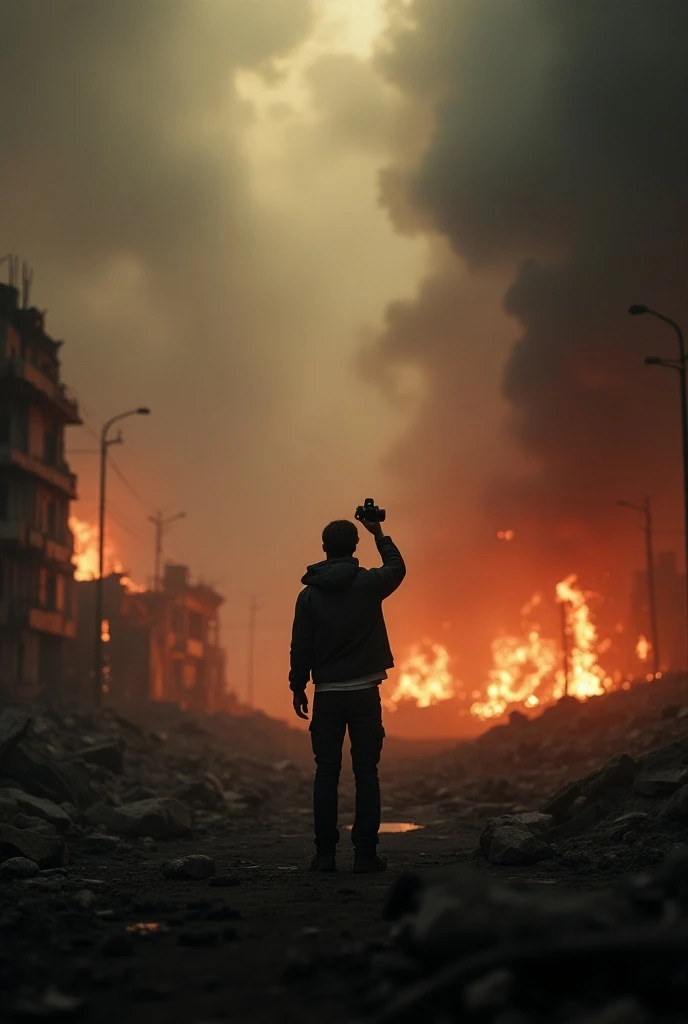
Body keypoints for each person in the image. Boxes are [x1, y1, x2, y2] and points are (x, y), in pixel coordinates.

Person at [289, 513, 406, 873]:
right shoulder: (370, 583)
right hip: (364, 695)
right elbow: (397, 567)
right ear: (354, 547)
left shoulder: (309, 596)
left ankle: (325, 856)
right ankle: (365, 856)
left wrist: (298, 686)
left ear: (324, 549)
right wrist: (379, 532)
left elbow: (301, 647)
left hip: (327, 695)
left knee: (326, 773)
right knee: (366, 773)